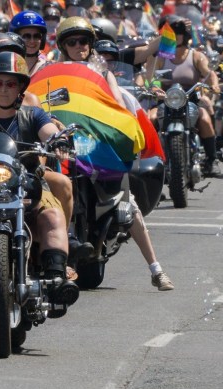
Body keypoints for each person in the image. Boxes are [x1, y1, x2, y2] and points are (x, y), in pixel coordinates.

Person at [0, 51, 80, 307]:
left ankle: (56, 277)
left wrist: (58, 140)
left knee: (53, 217)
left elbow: (48, 131)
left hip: (28, 186)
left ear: (21, 86)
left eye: (11, 83)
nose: (4, 89)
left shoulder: (33, 115)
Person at [60, 19, 175, 291]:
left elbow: (116, 103)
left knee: (128, 202)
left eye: (83, 41)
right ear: (63, 46)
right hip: (64, 143)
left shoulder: (103, 71)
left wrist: (118, 128)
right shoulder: (54, 69)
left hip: (95, 144)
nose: (79, 47)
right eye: (72, 42)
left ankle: (156, 269)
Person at [144, 15, 220, 177]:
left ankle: (211, 159)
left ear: (185, 35)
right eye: (171, 33)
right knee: (150, 119)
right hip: (166, 100)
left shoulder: (196, 56)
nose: (174, 36)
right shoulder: (162, 57)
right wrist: (152, 88)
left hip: (190, 99)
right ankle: (147, 159)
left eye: (177, 33)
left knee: (205, 118)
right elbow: (149, 76)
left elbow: (210, 73)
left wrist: (214, 84)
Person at [9, 10, 49, 75]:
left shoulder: (49, 68)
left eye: (36, 36)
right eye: (26, 36)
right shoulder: (6, 67)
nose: (32, 41)